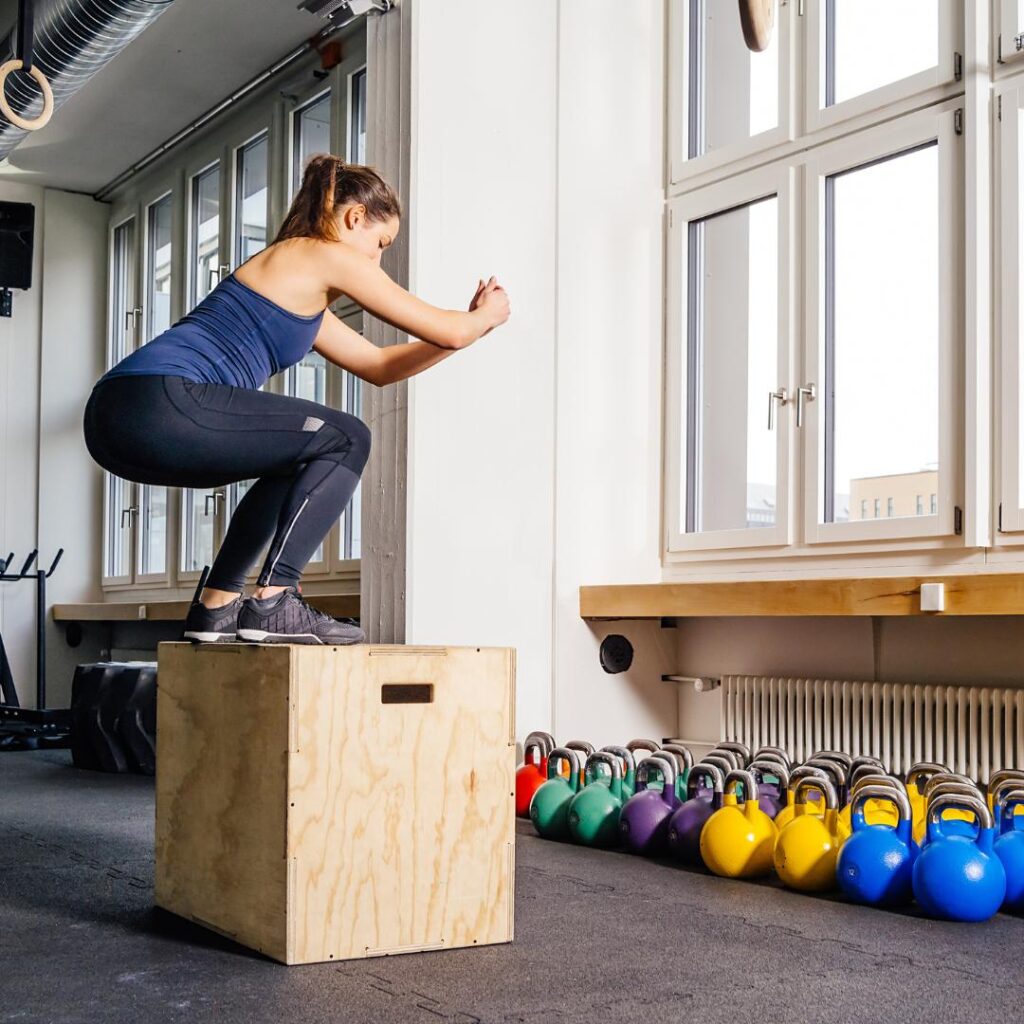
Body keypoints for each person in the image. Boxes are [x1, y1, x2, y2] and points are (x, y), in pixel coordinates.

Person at [82, 155, 511, 645]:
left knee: (298, 458)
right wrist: (484, 318)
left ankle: (217, 607)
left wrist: (469, 332)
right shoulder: (322, 254)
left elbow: (381, 366)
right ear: (353, 219)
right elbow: (450, 329)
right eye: (380, 244)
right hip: (158, 401)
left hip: (119, 417)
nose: (376, 260)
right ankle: (273, 600)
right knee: (347, 436)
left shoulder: (299, 285)